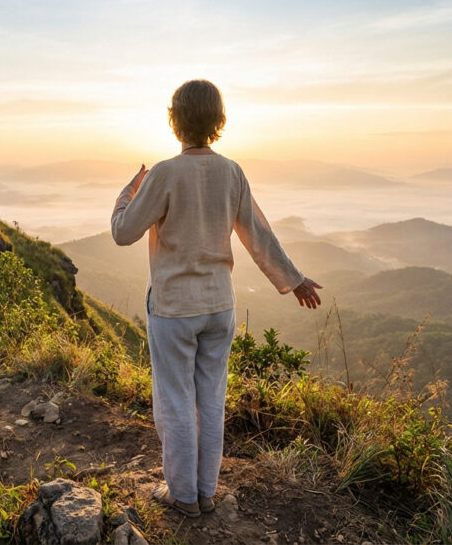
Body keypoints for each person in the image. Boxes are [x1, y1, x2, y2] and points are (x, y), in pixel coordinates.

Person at [111, 79, 322, 517]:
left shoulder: (166, 173)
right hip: (219, 306)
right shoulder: (232, 172)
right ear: (218, 120)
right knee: (211, 399)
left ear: (175, 119)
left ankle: (183, 496)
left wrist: (127, 193)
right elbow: (257, 234)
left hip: (173, 308)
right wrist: (294, 278)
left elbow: (123, 232)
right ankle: (206, 492)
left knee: (175, 400)